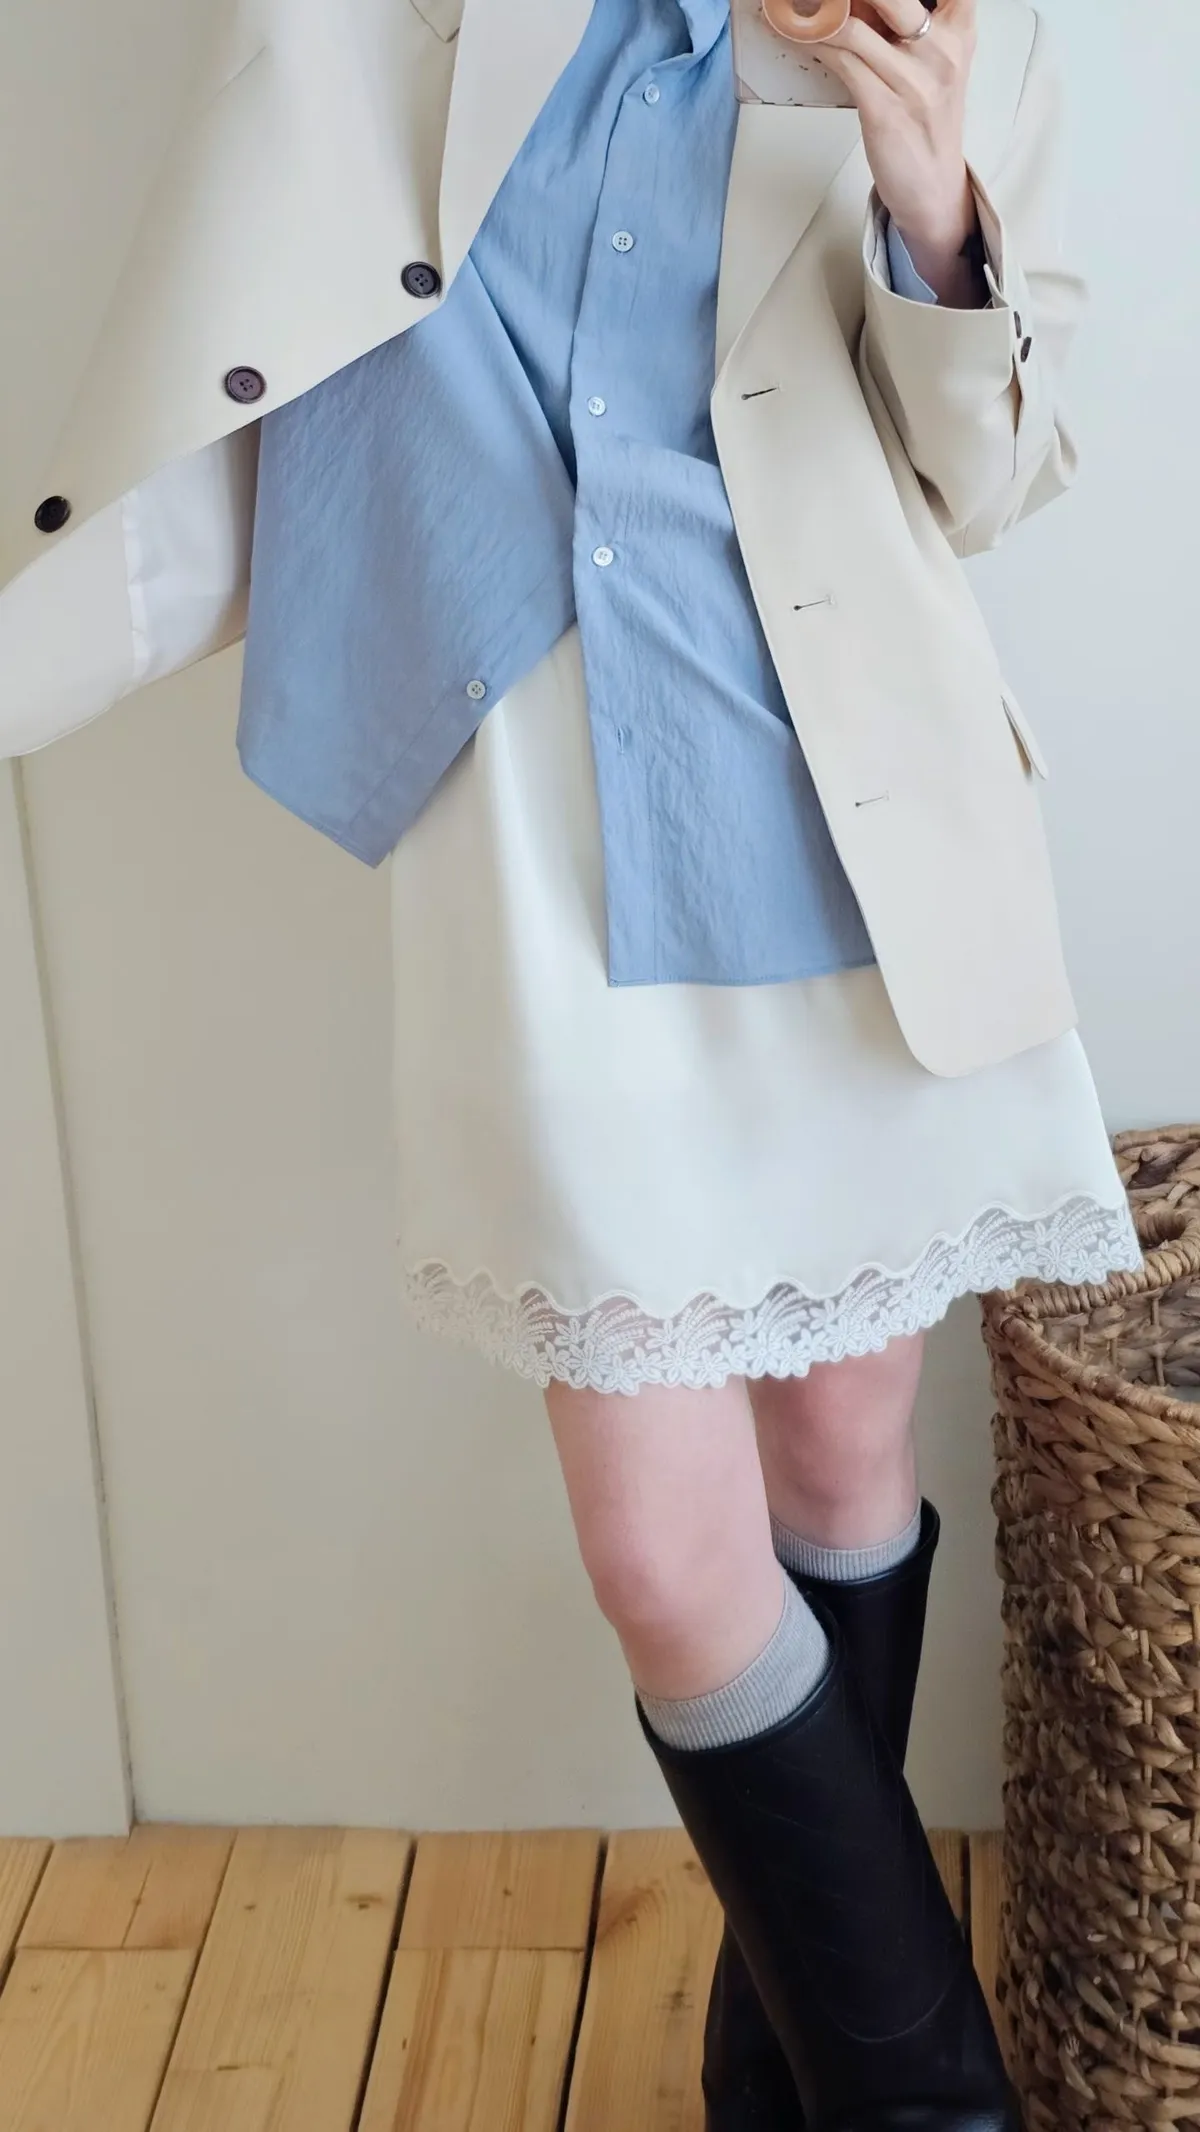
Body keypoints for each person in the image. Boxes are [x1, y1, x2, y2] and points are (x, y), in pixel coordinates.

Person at [0, 0, 1140, 2121]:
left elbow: (994, 474)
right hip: (542, 864)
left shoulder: (941, 25)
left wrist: (929, 200)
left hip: (847, 818)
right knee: (664, 1554)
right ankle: (937, 2100)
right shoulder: (383, 24)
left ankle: (790, 2080)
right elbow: (215, 415)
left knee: (840, 1470)